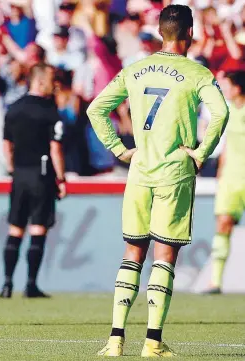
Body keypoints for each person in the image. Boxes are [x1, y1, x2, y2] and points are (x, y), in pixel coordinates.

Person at [87, 5, 229, 357]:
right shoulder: (197, 73)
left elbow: (96, 109)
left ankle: (115, 339)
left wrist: (120, 150)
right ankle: (152, 342)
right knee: (164, 255)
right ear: (190, 33)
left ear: (160, 31)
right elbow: (222, 112)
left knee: (133, 252)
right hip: (173, 172)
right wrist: (201, 152)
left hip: (139, 171)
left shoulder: (134, 69)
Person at [0, 63, 66, 298]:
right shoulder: (49, 111)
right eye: (50, 79)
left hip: (18, 174)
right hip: (42, 174)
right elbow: (55, 148)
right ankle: (30, 284)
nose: (54, 84)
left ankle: (7, 283)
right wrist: (61, 178)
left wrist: (11, 167)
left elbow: (7, 144)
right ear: (38, 81)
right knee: (38, 229)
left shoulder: (14, 109)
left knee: (15, 229)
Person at [206, 71, 245, 294]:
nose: (225, 90)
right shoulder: (227, 111)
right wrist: (222, 171)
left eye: (227, 86)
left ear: (238, 88)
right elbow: (228, 144)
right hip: (231, 178)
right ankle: (215, 281)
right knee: (223, 224)